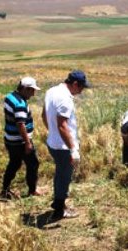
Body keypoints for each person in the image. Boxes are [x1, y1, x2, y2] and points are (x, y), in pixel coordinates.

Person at [42, 70, 91, 219]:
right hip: (63, 147)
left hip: (53, 143)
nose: (81, 91)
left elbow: (44, 115)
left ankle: (58, 203)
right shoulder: (65, 99)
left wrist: (52, 133)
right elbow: (62, 125)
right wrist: (73, 149)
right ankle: (59, 210)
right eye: (81, 88)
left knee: (60, 174)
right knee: (64, 176)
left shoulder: (51, 91)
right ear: (75, 84)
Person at [1, 77, 42, 199]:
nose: (33, 93)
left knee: (14, 163)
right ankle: (32, 190)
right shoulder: (20, 104)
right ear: (24, 89)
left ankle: (5, 189)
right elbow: (20, 124)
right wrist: (27, 143)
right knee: (33, 164)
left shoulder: (10, 96)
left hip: (10, 139)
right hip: (20, 141)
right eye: (31, 90)